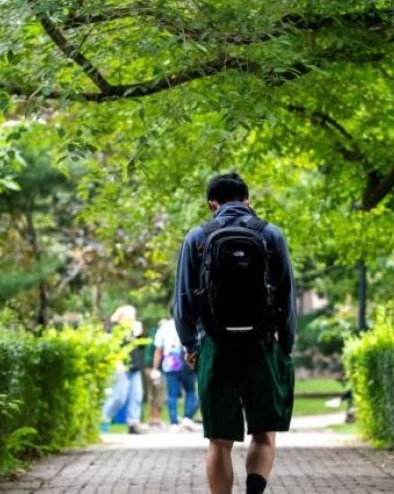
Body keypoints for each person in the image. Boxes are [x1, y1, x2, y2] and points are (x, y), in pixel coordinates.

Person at [174, 172, 296, 494]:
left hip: (215, 347)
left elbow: (183, 299)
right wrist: (286, 344)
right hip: (262, 344)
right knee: (264, 432)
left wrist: (190, 345)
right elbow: (286, 295)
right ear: (247, 200)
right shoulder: (271, 235)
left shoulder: (198, 237)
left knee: (219, 441)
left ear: (212, 203)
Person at [100, 305, 146, 435]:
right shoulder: (113, 329)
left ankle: (133, 424)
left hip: (134, 367)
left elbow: (139, 348)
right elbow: (110, 348)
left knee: (136, 396)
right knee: (118, 397)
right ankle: (102, 422)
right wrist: (116, 363)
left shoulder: (132, 329)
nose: (133, 318)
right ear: (121, 316)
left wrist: (138, 334)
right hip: (120, 368)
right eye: (130, 316)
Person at [150, 315, 200, 431]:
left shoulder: (164, 327)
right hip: (188, 360)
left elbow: (158, 350)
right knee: (190, 391)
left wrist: (155, 368)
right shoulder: (191, 322)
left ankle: (173, 423)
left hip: (171, 362)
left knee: (171, 394)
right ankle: (187, 417)